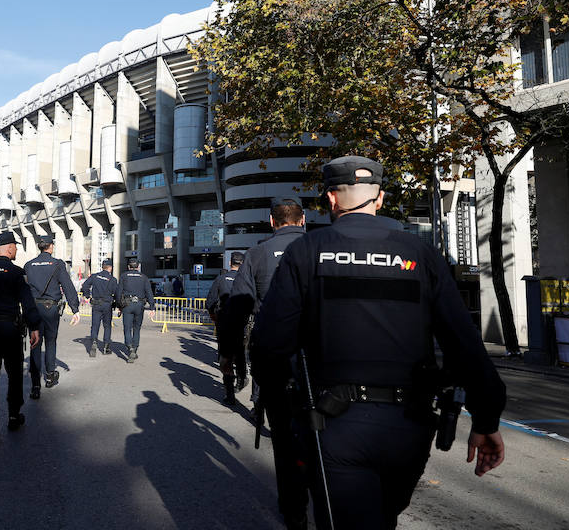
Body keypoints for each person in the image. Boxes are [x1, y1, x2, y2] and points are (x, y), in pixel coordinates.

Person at [252, 156, 506, 529]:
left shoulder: (306, 251)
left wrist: (283, 407)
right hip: (409, 426)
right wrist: (486, 418)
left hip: (333, 425)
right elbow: (464, 344)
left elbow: (270, 344)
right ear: (381, 199)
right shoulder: (421, 254)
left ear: (331, 200)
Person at [221, 197, 308, 528]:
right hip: (320, 353)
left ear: (272, 222)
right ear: (303, 221)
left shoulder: (257, 253)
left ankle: (294, 509)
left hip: (274, 353)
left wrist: (228, 355)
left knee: (284, 437)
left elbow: (238, 307)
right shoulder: (320, 246)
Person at [0, 231, 42, 444]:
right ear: (8, 248)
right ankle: (14, 416)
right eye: (15, 246)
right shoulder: (16, 272)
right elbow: (27, 301)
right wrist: (34, 326)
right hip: (10, 330)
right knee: (15, 375)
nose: (16, 249)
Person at [23, 235, 80, 394]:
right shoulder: (57, 264)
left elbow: (23, 289)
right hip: (50, 308)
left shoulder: (28, 265)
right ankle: (49, 376)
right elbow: (68, 287)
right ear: (51, 246)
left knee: (35, 342)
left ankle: (35, 384)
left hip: (33, 308)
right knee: (50, 342)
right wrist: (75, 309)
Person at [205, 251, 245, 405]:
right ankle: (241, 379)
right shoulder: (248, 279)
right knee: (241, 353)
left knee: (226, 358)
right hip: (244, 324)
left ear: (230, 264)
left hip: (225, 325)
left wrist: (215, 318)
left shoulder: (221, 279)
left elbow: (210, 301)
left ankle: (230, 394)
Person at [118, 259, 155, 362]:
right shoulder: (144, 277)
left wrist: (119, 306)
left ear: (129, 267)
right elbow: (149, 292)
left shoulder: (124, 276)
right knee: (137, 328)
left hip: (127, 304)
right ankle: (135, 349)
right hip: (140, 305)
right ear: (138, 267)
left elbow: (118, 292)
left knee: (127, 328)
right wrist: (152, 307)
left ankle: (129, 348)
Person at [81, 258, 119, 356]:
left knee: (95, 325)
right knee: (107, 326)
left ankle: (94, 342)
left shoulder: (95, 276)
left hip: (96, 304)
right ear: (110, 268)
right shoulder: (113, 280)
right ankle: (106, 347)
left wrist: (88, 296)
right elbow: (117, 293)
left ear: (102, 267)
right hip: (107, 305)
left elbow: (85, 286)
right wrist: (117, 304)